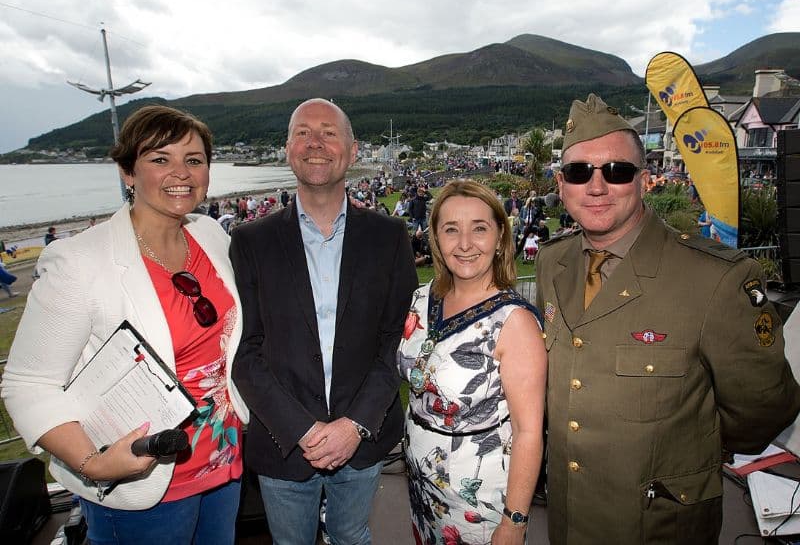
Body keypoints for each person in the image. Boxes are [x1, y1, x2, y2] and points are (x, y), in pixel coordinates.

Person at [535, 93, 800, 545]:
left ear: (645, 181)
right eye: (579, 172)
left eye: (616, 171)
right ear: (562, 185)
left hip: (658, 522)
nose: (596, 187)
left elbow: (764, 408)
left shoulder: (715, 278)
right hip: (569, 515)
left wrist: (691, 444)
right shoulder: (552, 263)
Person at [2, 105, 249, 545]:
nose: (181, 173)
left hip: (221, 459)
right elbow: (27, 384)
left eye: (194, 160)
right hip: (143, 480)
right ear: (127, 172)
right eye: (160, 159)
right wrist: (94, 463)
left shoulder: (211, 236)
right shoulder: (80, 262)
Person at [230, 98, 417, 545]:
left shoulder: (389, 237)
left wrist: (354, 425)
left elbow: (401, 337)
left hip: (364, 437)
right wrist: (304, 430)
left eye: (329, 132)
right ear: (288, 149)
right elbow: (242, 348)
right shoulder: (249, 241)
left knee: (352, 535)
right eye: (303, 132)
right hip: (283, 440)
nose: (315, 142)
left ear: (353, 152)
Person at [398, 179, 547, 545]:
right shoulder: (421, 298)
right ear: (435, 237)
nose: (464, 244)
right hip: (421, 482)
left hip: (476, 499)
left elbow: (529, 432)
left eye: (479, 228)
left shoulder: (514, 323)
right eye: (451, 229)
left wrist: (514, 521)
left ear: (500, 238)